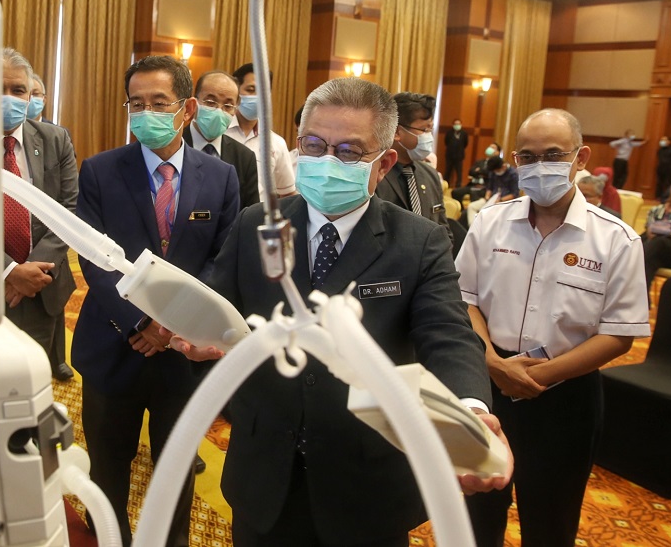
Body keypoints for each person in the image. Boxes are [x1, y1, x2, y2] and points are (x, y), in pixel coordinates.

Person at [176, 77, 509, 546]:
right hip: (265, 469)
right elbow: (220, 304)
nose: (327, 162)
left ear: (384, 162)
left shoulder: (418, 241)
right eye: (314, 145)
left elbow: (448, 335)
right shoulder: (257, 223)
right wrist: (196, 331)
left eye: (349, 152)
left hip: (367, 480)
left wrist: (471, 410)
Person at [457, 108, 649, 547]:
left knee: (551, 523)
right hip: (486, 386)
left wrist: (538, 376)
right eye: (527, 156)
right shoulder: (489, 223)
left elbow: (620, 334)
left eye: (553, 154)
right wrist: (492, 363)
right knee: (475, 517)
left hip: (566, 396)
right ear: (514, 160)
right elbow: (463, 299)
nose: (539, 165)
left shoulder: (616, 239)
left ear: (580, 158)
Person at [73, 55, 240, 547]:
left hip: (182, 355)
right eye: (136, 103)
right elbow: (93, 259)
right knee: (108, 467)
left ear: (186, 108)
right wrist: (138, 323)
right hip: (111, 344)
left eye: (158, 103)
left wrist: (170, 323)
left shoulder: (221, 176)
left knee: (177, 468)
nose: (146, 113)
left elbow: (223, 259)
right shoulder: (100, 171)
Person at [0, 49, 77, 382]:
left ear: (31, 95)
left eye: (17, 90)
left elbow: (70, 208)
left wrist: (32, 272)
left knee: (32, 382)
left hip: (41, 286)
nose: (8, 98)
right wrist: (9, 270)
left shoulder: (54, 139)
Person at [375, 91, 452, 244]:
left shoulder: (430, 174)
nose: (428, 136)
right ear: (397, 131)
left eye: (430, 130)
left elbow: (444, 230)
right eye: (424, 130)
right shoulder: (375, 173)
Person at [183, 70, 260, 211]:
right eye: (210, 102)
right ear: (193, 103)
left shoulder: (244, 158)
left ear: (235, 110)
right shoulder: (173, 146)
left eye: (228, 106)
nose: (219, 111)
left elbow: (250, 215)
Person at [226, 62, 296, 200]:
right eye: (251, 90)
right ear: (236, 91)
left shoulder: (276, 143)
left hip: (257, 217)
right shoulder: (218, 133)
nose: (257, 97)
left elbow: (288, 193)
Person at [642, 176, 671, 288]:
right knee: (641, 240)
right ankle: (643, 297)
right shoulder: (656, 210)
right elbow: (650, 233)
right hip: (657, 250)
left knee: (659, 243)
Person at [444, 117, 468, 188]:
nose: (457, 125)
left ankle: (458, 186)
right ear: (453, 125)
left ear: (461, 124)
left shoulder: (464, 133)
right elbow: (446, 142)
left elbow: (465, 143)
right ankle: (445, 185)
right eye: (455, 124)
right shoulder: (449, 133)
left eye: (458, 124)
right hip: (450, 156)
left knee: (459, 172)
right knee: (448, 171)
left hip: (459, 156)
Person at [656, 136, 671, 200]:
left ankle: (667, 197)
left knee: (668, 183)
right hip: (660, 167)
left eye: (664, 140)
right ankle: (658, 196)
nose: (662, 141)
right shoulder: (660, 150)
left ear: (669, 141)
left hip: (669, 168)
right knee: (659, 183)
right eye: (661, 140)